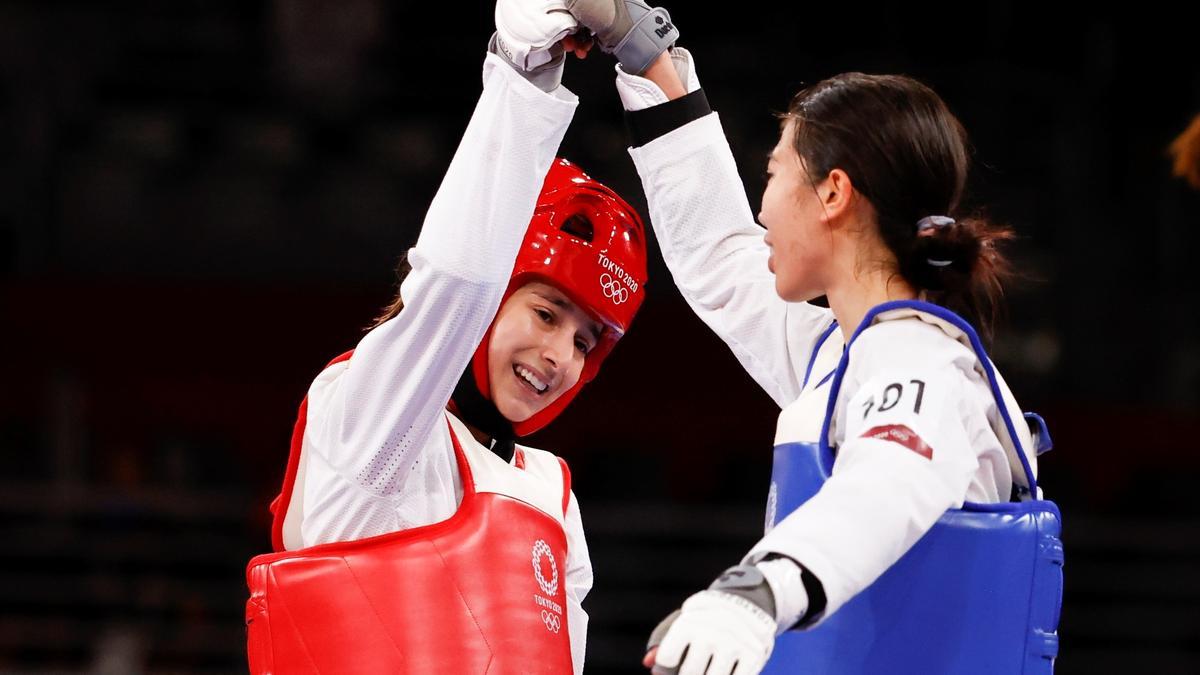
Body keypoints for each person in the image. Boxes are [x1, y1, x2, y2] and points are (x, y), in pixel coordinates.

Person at [563, 2, 1063, 673]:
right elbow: (719, 260)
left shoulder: (921, 362)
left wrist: (755, 591)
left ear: (833, 193)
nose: (763, 205)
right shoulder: (842, 353)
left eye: (772, 174)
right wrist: (644, 55)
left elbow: (888, 484)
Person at [241, 3, 664, 673]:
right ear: (496, 296)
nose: (560, 355)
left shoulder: (551, 493)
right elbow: (455, 285)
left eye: (586, 342)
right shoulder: (377, 422)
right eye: (547, 314)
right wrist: (523, 83)